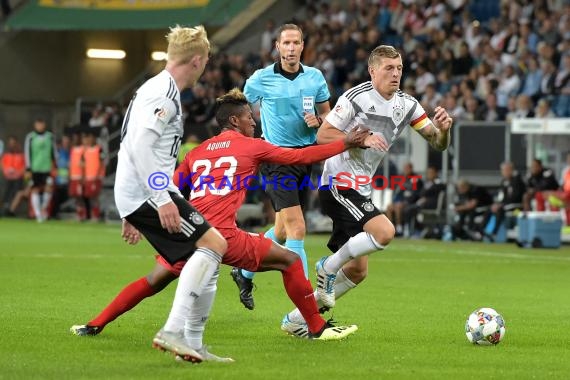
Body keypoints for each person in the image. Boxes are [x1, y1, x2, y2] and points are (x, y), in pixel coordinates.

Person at [70, 88, 367, 341]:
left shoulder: (197, 152)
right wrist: (345, 143)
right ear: (235, 120)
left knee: (154, 279)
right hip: (222, 235)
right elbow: (300, 157)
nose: (254, 122)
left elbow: (168, 188)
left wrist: (132, 215)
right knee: (289, 261)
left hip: (190, 233)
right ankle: (315, 327)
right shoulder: (252, 147)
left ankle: (94, 324)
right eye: (251, 117)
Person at [281, 45, 453, 336]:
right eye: (389, 68)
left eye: (399, 68)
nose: (396, 74)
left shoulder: (407, 105)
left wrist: (444, 130)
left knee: (359, 271)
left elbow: (437, 142)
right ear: (372, 70)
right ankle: (328, 267)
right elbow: (323, 135)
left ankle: (297, 320)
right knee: (384, 232)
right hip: (336, 183)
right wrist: (360, 139)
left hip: (360, 190)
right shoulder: (356, 97)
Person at [100, 25, 230, 363]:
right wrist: (158, 200)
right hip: (149, 192)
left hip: (143, 191)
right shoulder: (162, 94)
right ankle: (174, 332)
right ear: (198, 60)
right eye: (206, 61)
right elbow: (140, 147)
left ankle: (192, 344)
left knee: (206, 256)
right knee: (214, 245)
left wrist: (132, 211)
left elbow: (131, 146)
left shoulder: (160, 88)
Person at [232, 23, 332, 310]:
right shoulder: (260, 79)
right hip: (276, 159)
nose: (290, 48)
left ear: (303, 46)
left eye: (295, 43)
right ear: (277, 46)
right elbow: (241, 111)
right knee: (298, 229)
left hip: (305, 158)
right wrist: (247, 142)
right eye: (285, 43)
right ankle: (309, 305)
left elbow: (327, 113)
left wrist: (319, 121)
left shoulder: (315, 77)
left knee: (282, 231)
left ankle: (244, 271)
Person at [24, 118, 57, 222]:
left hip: (47, 167)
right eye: (38, 124)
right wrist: (28, 168)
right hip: (35, 168)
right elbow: (27, 152)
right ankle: (38, 215)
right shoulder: (30, 137)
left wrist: (55, 165)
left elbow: (54, 151)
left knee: (48, 189)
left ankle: (43, 209)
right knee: (35, 190)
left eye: (41, 124)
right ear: (35, 125)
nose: (40, 126)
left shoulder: (50, 136)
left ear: (44, 125)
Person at [483, 162, 526, 240]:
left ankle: (494, 233)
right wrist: (497, 204)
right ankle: (482, 231)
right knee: (489, 209)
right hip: (506, 206)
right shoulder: (504, 182)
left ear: (511, 170)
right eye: (503, 170)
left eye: (506, 170)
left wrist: (501, 205)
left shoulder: (517, 181)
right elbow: (501, 196)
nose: (504, 172)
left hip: (517, 209)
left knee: (500, 210)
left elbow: (516, 197)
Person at [385, 162, 424, 237]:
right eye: (404, 168)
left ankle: (399, 228)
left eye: (407, 168)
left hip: (410, 202)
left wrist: (407, 199)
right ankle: (391, 228)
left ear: (411, 169)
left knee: (398, 206)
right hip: (400, 201)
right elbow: (398, 192)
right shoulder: (401, 179)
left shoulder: (416, 179)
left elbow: (416, 193)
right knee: (389, 207)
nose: (405, 170)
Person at [1, 136, 25, 216]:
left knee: (17, 194)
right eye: (10, 143)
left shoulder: (21, 155)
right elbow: (2, 165)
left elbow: (24, 167)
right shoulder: (6, 155)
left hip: (18, 179)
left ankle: (11, 211)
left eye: (13, 143)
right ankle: (3, 210)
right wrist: (6, 172)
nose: (12, 145)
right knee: (5, 195)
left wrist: (18, 173)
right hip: (7, 178)